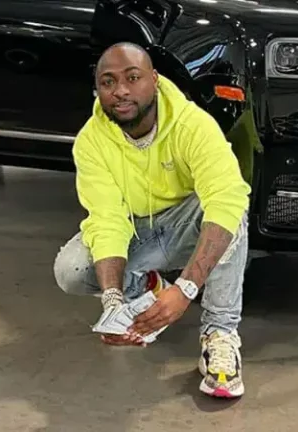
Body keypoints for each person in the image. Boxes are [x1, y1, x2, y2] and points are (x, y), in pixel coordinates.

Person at [53, 42, 251, 399]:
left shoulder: (192, 125)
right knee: (72, 269)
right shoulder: (91, 142)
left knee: (229, 210)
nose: (120, 91)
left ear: (154, 80)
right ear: (97, 90)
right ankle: (145, 289)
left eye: (132, 78)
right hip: (138, 230)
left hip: (188, 224)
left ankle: (220, 332)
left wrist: (186, 289)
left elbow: (226, 199)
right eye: (108, 82)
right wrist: (113, 301)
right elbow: (107, 220)